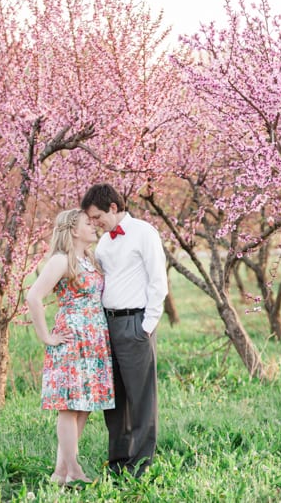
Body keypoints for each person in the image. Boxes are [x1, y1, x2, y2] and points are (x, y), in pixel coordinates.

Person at [81, 183, 168, 477]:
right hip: (108, 325)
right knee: (114, 399)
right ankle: (118, 462)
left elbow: (158, 281)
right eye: (90, 220)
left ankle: (141, 466)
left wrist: (147, 326)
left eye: (96, 217)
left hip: (135, 324)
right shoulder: (105, 242)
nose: (94, 224)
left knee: (140, 398)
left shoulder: (145, 233)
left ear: (114, 208)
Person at [26, 209, 115, 485]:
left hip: (94, 341)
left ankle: (60, 472)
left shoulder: (88, 259)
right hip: (72, 340)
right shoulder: (61, 261)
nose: (94, 226)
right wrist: (46, 337)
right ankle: (73, 468)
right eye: (88, 223)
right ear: (73, 231)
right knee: (69, 405)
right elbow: (33, 297)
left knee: (85, 405)